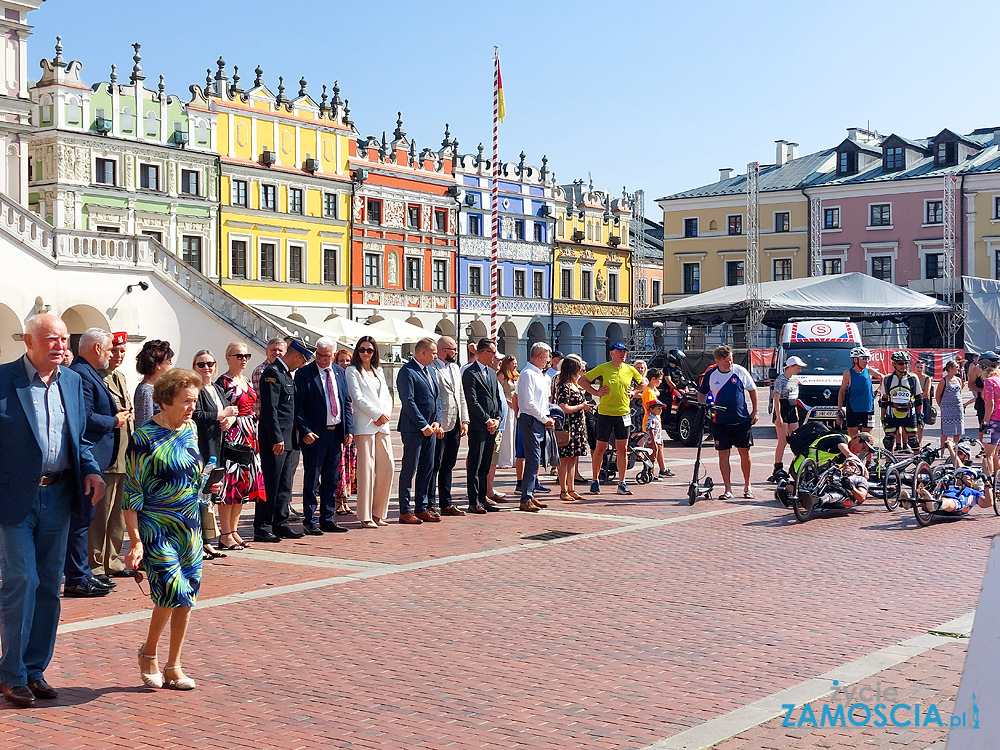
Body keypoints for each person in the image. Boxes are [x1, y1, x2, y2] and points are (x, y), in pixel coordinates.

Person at [0, 314, 105, 707]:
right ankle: (9, 674)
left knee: (48, 585)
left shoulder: (73, 382)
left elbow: (77, 438)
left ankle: (33, 670)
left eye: (64, 339)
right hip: (13, 500)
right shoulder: (4, 379)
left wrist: (92, 471)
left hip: (59, 495)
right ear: (28, 341)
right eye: (52, 340)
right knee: (21, 580)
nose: (60, 346)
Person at [124, 368, 208, 691]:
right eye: (186, 400)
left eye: (195, 400)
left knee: (188, 596)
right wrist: (135, 541)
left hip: (189, 525)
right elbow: (132, 491)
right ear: (166, 399)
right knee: (171, 591)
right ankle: (148, 652)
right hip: (157, 526)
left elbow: (194, 474)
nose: (192, 407)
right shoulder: (144, 437)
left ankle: (174, 666)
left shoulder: (192, 429)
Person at [65, 328, 131, 597]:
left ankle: (83, 574)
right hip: (90, 456)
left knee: (85, 520)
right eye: (107, 350)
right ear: (96, 350)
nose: (110, 355)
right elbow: (86, 417)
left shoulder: (89, 372)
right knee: (82, 521)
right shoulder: (82, 373)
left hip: (101, 457)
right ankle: (79, 576)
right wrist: (115, 421)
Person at [294, 337, 352, 535]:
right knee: (312, 479)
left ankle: (327, 517)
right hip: (314, 434)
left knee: (331, 478)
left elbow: (345, 402)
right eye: (318, 355)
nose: (321, 359)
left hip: (335, 433)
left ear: (333, 355)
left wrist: (348, 430)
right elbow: (298, 407)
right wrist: (304, 430)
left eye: (326, 356)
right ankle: (309, 520)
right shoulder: (304, 374)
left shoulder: (339, 372)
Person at [256, 339, 312, 541]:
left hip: (289, 439)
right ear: (297, 356)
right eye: (303, 360)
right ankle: (263, 526)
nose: (302, 365)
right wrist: (276, 438)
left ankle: (280, 522)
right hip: (276, 439)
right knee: (271, 483)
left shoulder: (286, 375)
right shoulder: (272, 373)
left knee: (284, 485)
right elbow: (270, 410)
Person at [90, 331, 135, 582]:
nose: (118, 356)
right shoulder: (97, 378)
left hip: (123, 455)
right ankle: (95, 564)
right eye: (115, 351)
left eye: (122, 352)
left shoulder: (121, 377)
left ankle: (112, 560)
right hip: (106, 456)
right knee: (100, 515)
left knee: (118, 512)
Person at [217, 342, 266, 550]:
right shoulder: (223, 382)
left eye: (246, 356)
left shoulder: (245, 380)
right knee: (230, 483)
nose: (244, 359)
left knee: (243, 484)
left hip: (249, 434)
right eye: (239, 356)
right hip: (234, 434)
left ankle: (234, 530)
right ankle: (225, 532)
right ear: (228, 357)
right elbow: (221, 408)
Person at [580, 342, 643, 496]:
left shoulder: (630, 369)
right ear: (611, 353)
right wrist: (596, 392)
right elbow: (581, 381)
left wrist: (634, 391)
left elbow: (643, 382)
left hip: (623, 414)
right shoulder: (603, 368)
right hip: (605, 414)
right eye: (620, 351)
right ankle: (595, 480)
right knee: (600, 448)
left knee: (623, 449)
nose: (623, 354)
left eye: (624, 352)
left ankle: (622, 483)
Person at [191, 350, 237, 559]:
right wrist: (221, 415)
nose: (206, 368)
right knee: (200, 493)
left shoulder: (217, 389)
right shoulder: (194, 389)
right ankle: (200, 541)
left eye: (210, 363)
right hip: (202, 447)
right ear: (194, 367)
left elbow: (229, 411)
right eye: (201, 364)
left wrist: (230, 419)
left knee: (209, 494)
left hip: (218, 447)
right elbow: (196, 415)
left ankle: (207, 540)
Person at [697, 345, 758, 500]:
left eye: (731, 359)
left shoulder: (739, 371)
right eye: (726, 361)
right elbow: (702, 393)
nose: (729, 363)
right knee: (723, 454)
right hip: (720, 421)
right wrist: (703, 408)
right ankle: (728, 489)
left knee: (745, 453)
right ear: (717, 361)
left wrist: (755, 411)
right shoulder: (711, 374)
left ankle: (747, 487)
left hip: (741, 420)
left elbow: (752, 389)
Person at [345, 336, 394, 528]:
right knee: (367, 469)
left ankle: (378, 512)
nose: (366, 353)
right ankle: (365, 515)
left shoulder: (378, 370)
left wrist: (385, 414)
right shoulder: (352, 371)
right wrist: (376, 414)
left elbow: (387, 396)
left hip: (383, 424)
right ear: (357, 351)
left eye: (370, 350)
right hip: (365, 423)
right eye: (362, 349)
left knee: (387, 466)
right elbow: (356, 397)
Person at [396, 337, 443, 524]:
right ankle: (404, 510)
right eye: (433, 353)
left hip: (430, 429)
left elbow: (437, 399)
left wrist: (436, 422)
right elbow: (408, 401)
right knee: (410, 468)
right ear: (422, 352)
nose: (435, 357)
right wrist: (423, 424)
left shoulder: (430, 371)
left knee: (427, 468)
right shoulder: (407, 371)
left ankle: (421, 507)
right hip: (413, 429)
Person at [462, 339, 503, 513]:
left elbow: (497, 399)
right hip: (479, 426)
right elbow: (472, 401)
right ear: (484, 352)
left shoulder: (492, 373)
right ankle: (473, 501)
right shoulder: (470, 373)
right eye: (493, 353)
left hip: (493, 425)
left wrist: (498, 418)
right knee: (475, 463)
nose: (495, 356)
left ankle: (482, 498)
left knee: (486, 463)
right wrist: (487, 420)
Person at [429, 336, 469, 517]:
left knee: (449, 464)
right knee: (434, 464)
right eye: (453, 349)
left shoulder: (455, 367)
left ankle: (446, 502)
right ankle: (429, 502)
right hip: (440, 423)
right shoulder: (432, 368)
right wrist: (436, 423)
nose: (456, 352)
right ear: (443, 350)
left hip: (455, 422)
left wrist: (465, 419)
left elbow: (461, 394)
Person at [515, 342, 555, 512]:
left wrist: (546, 416)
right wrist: (544, 418)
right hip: (530, 420)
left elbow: (541, 400)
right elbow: (528, 403)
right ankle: (525, 498)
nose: (548, 361)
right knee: (532, 459)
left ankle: (529, 494)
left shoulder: (538, 374)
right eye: (547, 357)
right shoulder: (528, 374)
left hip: (537, 420)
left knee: (535, 460)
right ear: (539, 357)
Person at [555, 355, 591, 501]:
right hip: (568, 426)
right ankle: (563, 490)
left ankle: (571, 488)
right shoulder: (564, 387)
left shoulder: (575, 385)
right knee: (565, 459)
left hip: (577, 426)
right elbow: (563, 407)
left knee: (573, 458)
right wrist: (581, 406)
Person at [769, 356, 806, 482]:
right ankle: (778, 467)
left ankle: (800, 465)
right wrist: (778, 416)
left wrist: (796, 412)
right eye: (797, 367)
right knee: (783, 441)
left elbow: (794, 397)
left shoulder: (795, 380)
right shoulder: (780, 380)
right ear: (790, 367)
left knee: (796, 439)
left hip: (792, 410)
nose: (799, 370)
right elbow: (776, 398)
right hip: (782, 409)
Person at [880, 350, 923, 452]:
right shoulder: (887, 379)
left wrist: (920, 415)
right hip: (892, 414)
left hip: (909, 414)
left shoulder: (913, 378)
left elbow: (918, 399)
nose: (904, 365)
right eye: (901, 363)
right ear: (894, 364)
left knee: (913, 441)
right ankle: (889, 463)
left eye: (906, 363)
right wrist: (882, 417)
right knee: (888, 441)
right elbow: (884, 399)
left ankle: (918, 464)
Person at [334, 349, 357, 515]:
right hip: (338, 427)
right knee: (339, 466)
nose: (345, 364)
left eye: (347, 360)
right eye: (341, 360)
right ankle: (337, 500)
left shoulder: (353, 378)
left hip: (352, 426)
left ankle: (345, 499)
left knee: (350, 466)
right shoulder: (334, 378)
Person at [837, 347, 877, 437]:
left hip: (868, 409)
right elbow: (842, 391)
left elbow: (883, 378)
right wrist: (839, 409)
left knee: (868, 436)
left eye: (867, 359)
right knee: (853, 436)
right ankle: (853, 451)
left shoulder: (869, 371)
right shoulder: (848, 373)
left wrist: (878, 391)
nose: (866, 361)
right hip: (853, 409)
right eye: (863, 359)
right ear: (855, 359)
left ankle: (869, 450)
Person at [640, 368, 673, 478]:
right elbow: (651, 405)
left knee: (659, 446)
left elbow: (657, 393)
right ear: (653, 379)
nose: (660, 382)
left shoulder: (652, 390)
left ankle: (661, 468)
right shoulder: (648, 391)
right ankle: (649, 472)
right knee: (651, 448)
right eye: (659, 379)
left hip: (656, 422)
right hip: (651, 422)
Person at [134, 339, 173, 426]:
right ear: (158, 365)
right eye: (168, 361)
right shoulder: (145, 391)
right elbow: (144, 425)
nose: (171, 364)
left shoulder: (157, 388)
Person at [251, 337, 288, 415]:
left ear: (285, 353)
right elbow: (265, 399)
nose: (277, 353)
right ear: (267, 352)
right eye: (273, 350)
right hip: (265, 417)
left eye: (280, 350)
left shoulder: (286, 371)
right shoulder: (261, 371)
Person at [936, 360, 964, 448]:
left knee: (958, 430)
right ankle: (942, 452)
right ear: (950, 368)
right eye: (956, 367)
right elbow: (938, 395)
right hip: (947, 408)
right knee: (945, 431)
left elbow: (959, 391)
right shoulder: (943, 381)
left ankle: (956, 449)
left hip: (958, 407)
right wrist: (942, 406)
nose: (958, 368)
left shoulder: (958, 379)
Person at [980, 352, 1000, 477]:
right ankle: (998, 481)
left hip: (993, 421)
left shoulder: (989, 382)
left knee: (988, 455)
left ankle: (987, 483)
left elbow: (990, 404)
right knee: (996, 453)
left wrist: (985, 423)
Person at [497, 355, 519, 470]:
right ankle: (505, 459)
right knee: (507, 432)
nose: (515, 365)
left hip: (515, 406)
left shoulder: (516, 376)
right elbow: (498, 391)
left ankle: (515, 458)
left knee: (515, 432)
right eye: (513, 363)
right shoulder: (502, 375)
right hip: (506, 405)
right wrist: (507, 401)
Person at [914, 359, 933, 445]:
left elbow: (926, 394)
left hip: (922, 402)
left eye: (921, 367)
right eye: (917, 367)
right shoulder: (911, 377)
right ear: (914, 368)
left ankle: (919, 444)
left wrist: (916, 393)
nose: (919, 369)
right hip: (912, 403)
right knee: (911, 425)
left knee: (921, 425)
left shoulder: (927, 378)